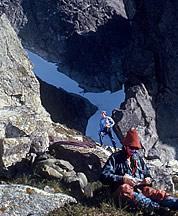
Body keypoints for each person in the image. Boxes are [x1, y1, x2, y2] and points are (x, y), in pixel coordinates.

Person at [99, 129, 178, 213]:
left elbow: (147, 173)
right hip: (121, 190)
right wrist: (122, 179)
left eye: (136, 148)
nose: (134, 150)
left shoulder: (138, 158)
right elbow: (103, 176)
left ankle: (174, 203)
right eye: (132, 148)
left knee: (156, 193)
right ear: (125, 146)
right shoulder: (115, 158)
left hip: (140, 187)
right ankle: (157, 209)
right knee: (125, 190)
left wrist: (147, 180)